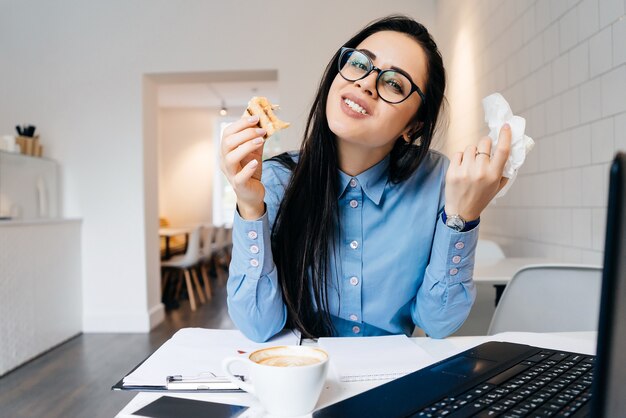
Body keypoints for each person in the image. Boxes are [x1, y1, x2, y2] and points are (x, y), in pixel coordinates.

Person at [220, 15, 511, 342]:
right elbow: (259, 326)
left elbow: (439, 322)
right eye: (359, 64)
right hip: (304, 376)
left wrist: (463, 218)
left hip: (397, 380)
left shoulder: (439, 181)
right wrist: (248, 206)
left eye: (394, 83)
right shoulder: (274, 180)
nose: (366, 83)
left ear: (413, 126)